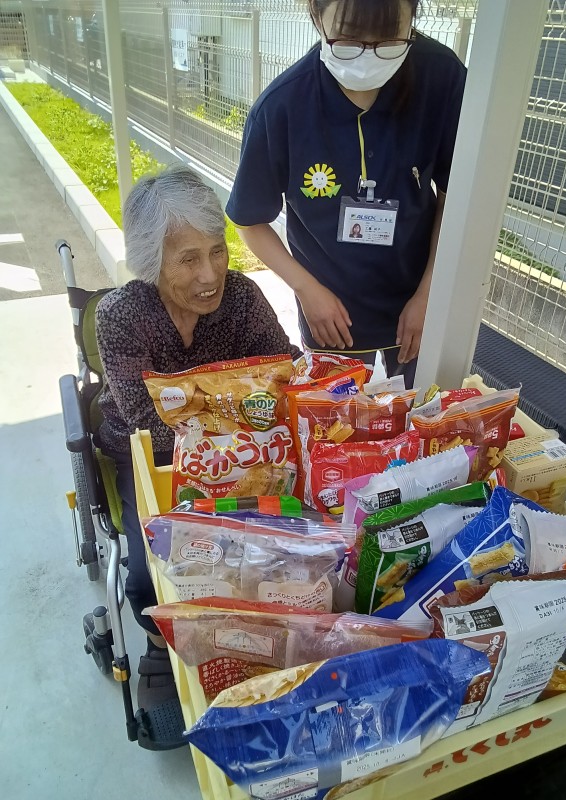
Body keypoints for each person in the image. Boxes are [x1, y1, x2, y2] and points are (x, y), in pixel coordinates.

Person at [95, 164, 299, 709]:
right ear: (151, 260)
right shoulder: (121, 316)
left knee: (278, 548)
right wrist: (241, 406)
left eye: (217, 251)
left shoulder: (243, 298)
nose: (210, 274)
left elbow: (286, 372)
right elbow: (147, 419)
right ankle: (160, 641)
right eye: (188, 259)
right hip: (151, 458)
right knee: (152, 565)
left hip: (243, 456)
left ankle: (249, 636)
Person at [226, 0, 467, 386]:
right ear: (316, 15)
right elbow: (249, 221)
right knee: (337, 417)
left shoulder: (441, 79)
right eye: (349, 38)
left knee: (425, 410)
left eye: (389, 39)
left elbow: (456, 195)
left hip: (419, 295)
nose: (368, 55)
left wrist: (430, 293)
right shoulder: (282, 106)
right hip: (331, 309)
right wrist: (306, 288)